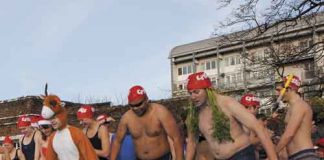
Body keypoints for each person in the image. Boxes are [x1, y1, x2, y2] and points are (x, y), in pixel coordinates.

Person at [185, 72, 277, 160]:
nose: (193, 96)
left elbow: (258, 127)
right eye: (190, 93)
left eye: (196, 92)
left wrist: (273, 158)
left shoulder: (227, 103)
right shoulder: (193, 115)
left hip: (241, 154)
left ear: (208, 90)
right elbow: (192, 143)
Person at [110, 85, 183, 160]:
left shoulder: (160, 112)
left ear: (146, 99)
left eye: (139, 104)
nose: (136, 108)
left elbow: (176, 138)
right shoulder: (127, 118)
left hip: (162, 157)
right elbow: (117, 141)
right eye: (132, 106)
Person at [275, 75, 320, 159]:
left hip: (304, 155)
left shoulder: (299, 106)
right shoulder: (292, 107)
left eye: (279, 90)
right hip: (296, 155)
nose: (277, 94)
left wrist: (273, 154)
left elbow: (289, 134)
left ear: (290, 89)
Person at [40, 94, 98, 160]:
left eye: (55, 117)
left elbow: (91, 156)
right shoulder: (52, 137)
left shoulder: (76, 133)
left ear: (62, 114)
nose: (52, 121)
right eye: (51, 118)